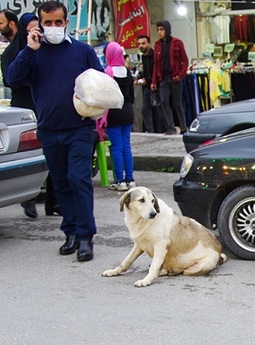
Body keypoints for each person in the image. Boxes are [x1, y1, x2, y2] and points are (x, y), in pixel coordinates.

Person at [5, 0, 104, 262]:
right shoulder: (33, 52)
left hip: (79, 128)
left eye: (57, 22)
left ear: (66, 23)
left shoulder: (82, 51)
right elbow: (11, 79)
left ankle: (85, 237)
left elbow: (102, 83)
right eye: (47, 23)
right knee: (60, 185)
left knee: (79, 180)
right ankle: (70, 232)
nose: (53, 27)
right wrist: (29, 49)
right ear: (39, 23)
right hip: (49, 130)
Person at [1, 12, 62, 218]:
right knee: (29, 155)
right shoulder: (12, 52)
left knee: (53, 154)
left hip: (44, 107)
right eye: (30, 30)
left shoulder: (44, 50)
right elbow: (12, 79)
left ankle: (53, 201)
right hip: (25, 110)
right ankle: (27, 199)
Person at [100, 41, 135, 191]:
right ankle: (130, 179)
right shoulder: (127, 71)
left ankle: (119, 180)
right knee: (126, 146)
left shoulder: (108, 72)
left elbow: (105, 95)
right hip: (127, 111)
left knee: (116, 147)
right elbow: (132, 96)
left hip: (113, 112)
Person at [151, 20, 188, 136]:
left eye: (161, 30)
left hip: (175, 77)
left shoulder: (177, 43)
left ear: (167, 30)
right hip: (163, 78)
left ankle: (183, 126)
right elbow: (156, 64)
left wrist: (180, 75)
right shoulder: (157, 45)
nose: (159, 32)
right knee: (164, 101)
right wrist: (154, 81)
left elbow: (185, 60)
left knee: (177, 103)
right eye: (158, 30)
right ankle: (171, 127)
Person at [136, 34, 154, 133]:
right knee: (145, 109)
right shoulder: (143, 57)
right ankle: (151, 130)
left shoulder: (154, 56)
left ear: (149, 44)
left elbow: (155, 71)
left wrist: (146, 80)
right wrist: (139, 77)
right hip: (147, 87)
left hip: (156, 86)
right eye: (139, 44)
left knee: (159, 110)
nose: (141, 46)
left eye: (143, 43)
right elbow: (145, 71)